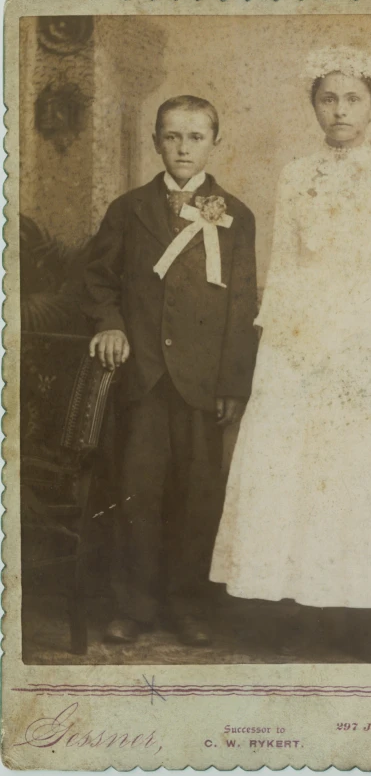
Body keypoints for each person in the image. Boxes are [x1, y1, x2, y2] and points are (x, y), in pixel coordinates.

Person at [210, 47, 371, 659]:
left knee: (362, 478)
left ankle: (363, 623)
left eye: (352, 98)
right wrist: (279, 350)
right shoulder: (296, 174)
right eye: (328, 98)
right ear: (315, 107)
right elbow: (285, 265)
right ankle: (300, 613)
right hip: (301, 348)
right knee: (299, 473)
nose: (340, 109)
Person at [82, 95, 257, 646]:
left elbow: (242, 304)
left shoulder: (236, 215)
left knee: (198, 495)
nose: (183, 147)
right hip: (146, 377)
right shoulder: (127, 208)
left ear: (214, 142)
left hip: (203, 383)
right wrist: (109, 324)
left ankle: (189, 607)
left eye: (195, 137)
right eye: (172, 136)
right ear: (156, 140)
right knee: (137, 490)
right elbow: (96, 280)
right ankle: (132, 607)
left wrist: (232, 383)